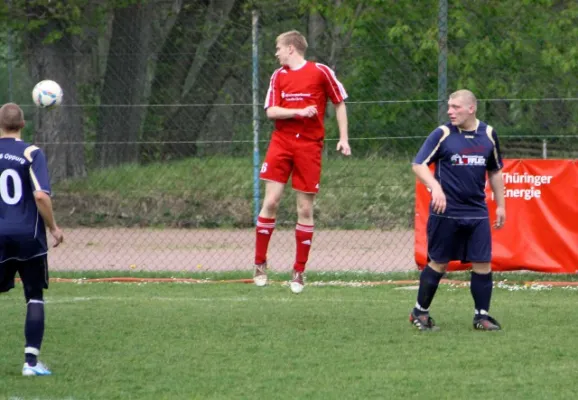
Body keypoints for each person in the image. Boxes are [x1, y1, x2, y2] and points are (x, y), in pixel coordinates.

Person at [253, 30, 351, 294]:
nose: (276, 53)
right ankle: (260, 263)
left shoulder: (320, 72)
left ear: (291, 48)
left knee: (305, 210)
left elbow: (339, 102)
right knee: (271, 201)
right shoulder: (278, 76)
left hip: (309, 146)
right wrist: (297, 111)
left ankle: (298, 271)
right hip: (282, 143)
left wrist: (343, 138)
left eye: (278, 48)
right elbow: (271, 111)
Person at [410, 90, 506, 331]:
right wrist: (435, 188)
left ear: (471, 108)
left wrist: (501, 205)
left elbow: (495, 171)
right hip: (447, 213)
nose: (450, 111)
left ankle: (481, 316)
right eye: (449, 107)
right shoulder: (442, 134)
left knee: (483, 263)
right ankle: (419, 312)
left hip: (477, 213)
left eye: (456, 107)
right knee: (439, 263)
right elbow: (418, 164)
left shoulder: (488, 134)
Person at [0, 103, 64, 375]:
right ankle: (31, 363)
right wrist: (53, 227)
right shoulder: (31, 153)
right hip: (29, 237)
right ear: (23, 124)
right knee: (34, 296)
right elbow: (40, 195)